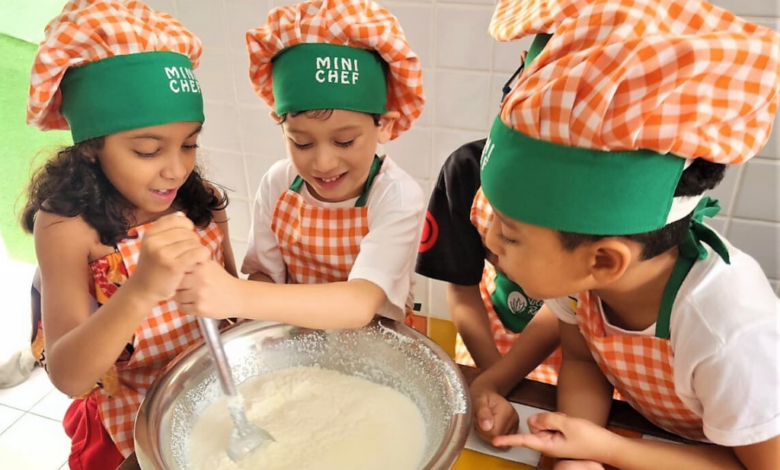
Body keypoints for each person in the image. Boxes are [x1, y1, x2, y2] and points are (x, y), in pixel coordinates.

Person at [476, 0, 780, 469]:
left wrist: (609, 449)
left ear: (602, 260)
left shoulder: (725, 327)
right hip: (651, 437)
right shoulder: (585, 282)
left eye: (510, 235)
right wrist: (578, 448)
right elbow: (581, 361)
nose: (489, 239)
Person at [21, 1, 235, 468]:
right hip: (129, 420)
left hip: (217, 398)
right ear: (92, 146)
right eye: (147, 150)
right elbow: (69, 375)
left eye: (190, 144)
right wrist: (141, 289)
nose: (176, 168)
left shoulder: (204, 204)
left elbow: (234, 310)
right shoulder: (66, 228)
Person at [175, 0, 427, 330]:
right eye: (302, 143)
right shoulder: (278, 184)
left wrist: (235, 294)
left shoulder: (397, 196)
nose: (323, 163)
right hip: (292, 336)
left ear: (384, 126)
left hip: (378, 342)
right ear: (280, 125)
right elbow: (265, 275)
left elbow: (360, 303)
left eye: (345, 141)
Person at [415, 139, 563, 439]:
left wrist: (498, 380)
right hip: (485, 341)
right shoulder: (467, 168)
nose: (494, 244)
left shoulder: (583, 188)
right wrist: (491, 379)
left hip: (570, 357)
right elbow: (462, 289)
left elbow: (566, 312)